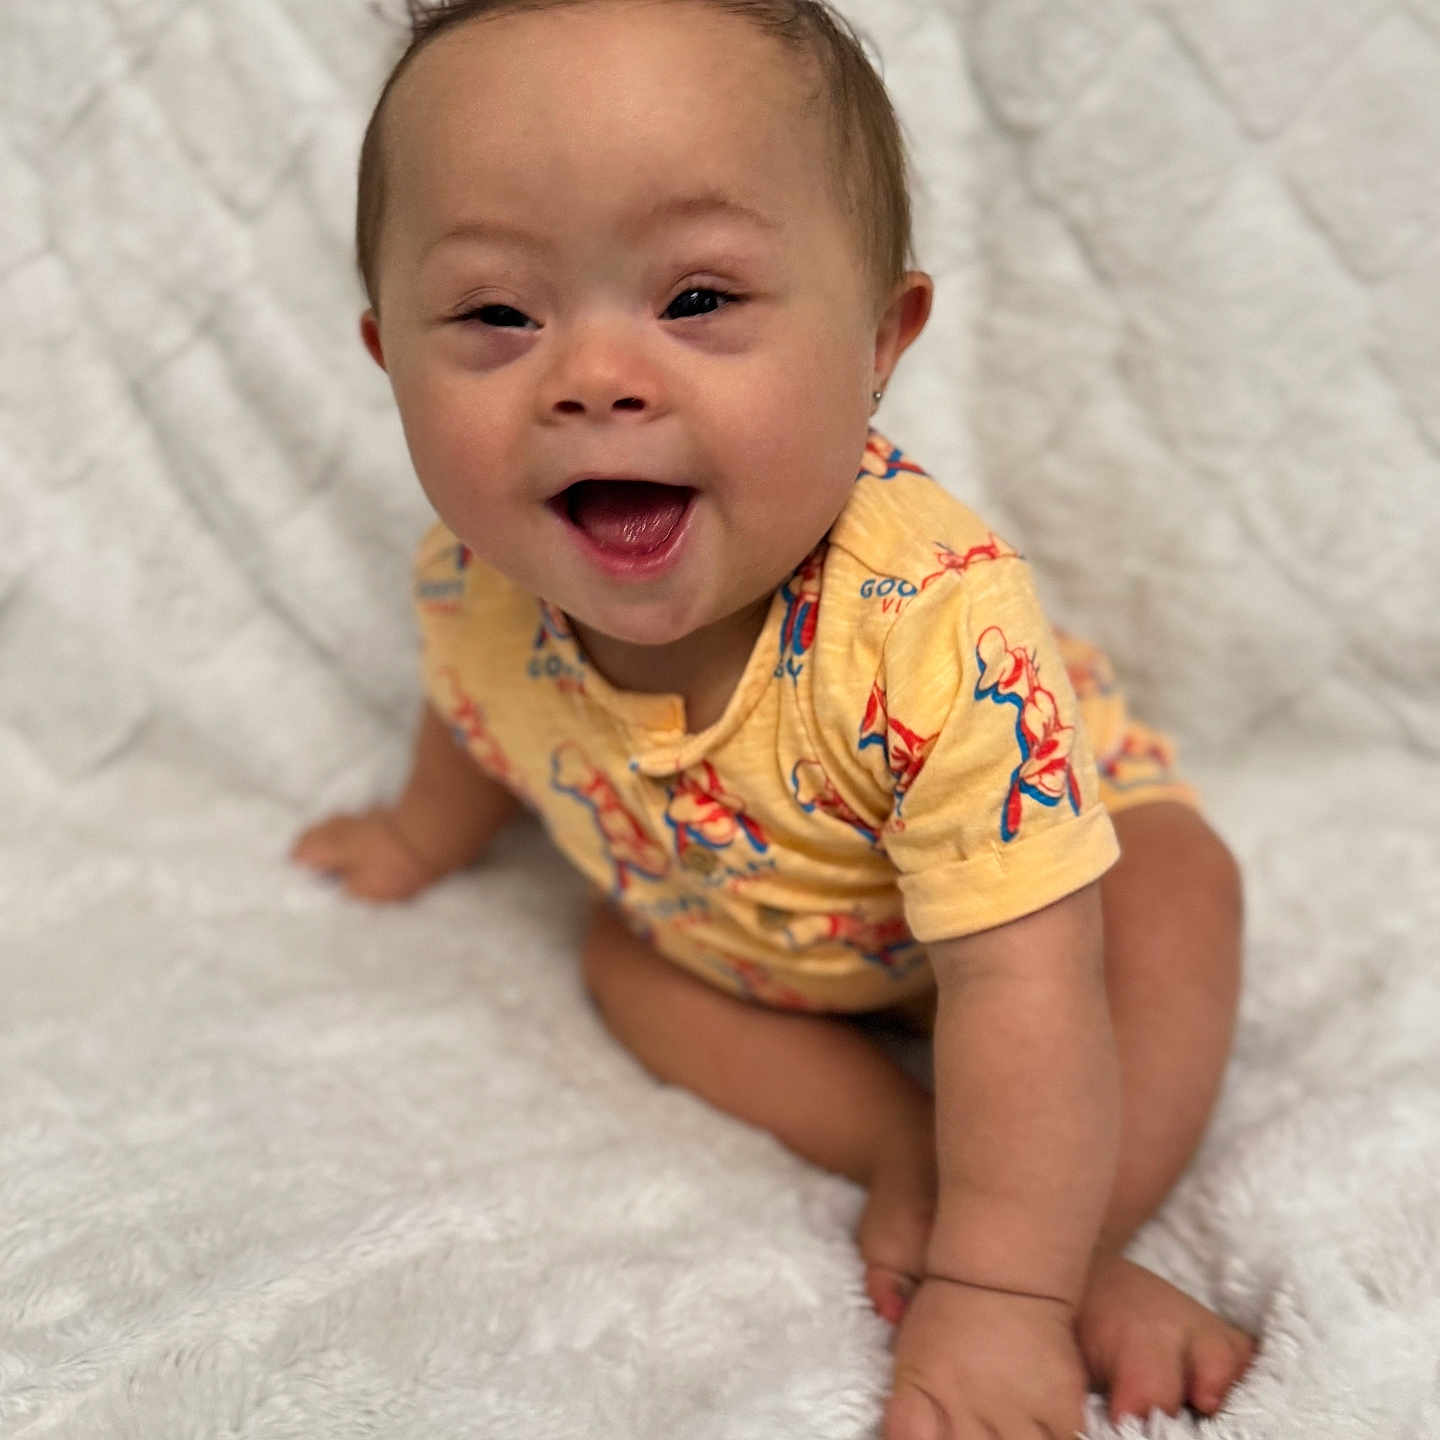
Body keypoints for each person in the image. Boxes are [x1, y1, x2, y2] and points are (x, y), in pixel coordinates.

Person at [291, 1, 1255, 1432]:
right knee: (621, 968)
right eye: (498, 313)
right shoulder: (474, 577)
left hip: (1042, 915)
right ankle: (906, 1148)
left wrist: (997, 1303)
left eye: (697, 301)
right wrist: (420, 833)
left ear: (878, 341)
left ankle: (1062, 1248)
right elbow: (476, 706)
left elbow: (1016, 989)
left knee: (1183, 891)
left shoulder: (935, 621)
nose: (598, 379)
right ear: (389, 359)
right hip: (749, 928)